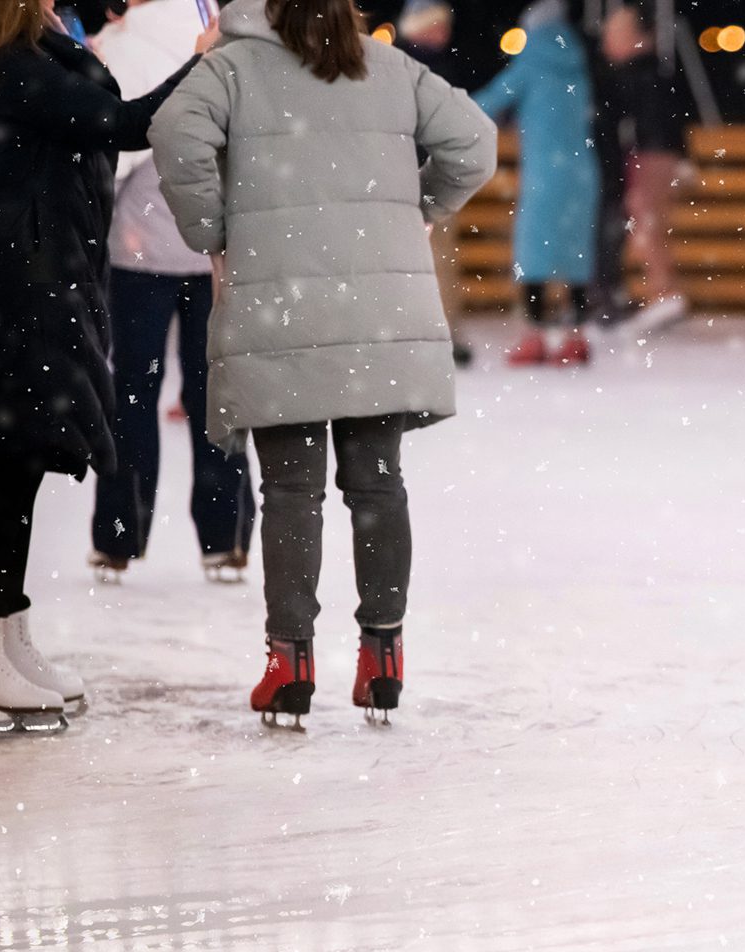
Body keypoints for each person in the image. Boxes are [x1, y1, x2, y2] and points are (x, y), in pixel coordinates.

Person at [151, 0, 497, 727]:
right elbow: (474, 139)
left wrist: (212, 229)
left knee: (290, 491)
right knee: (377, 485)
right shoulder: (390, 66)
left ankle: (290, 662)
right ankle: (383, 655)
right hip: (378, 313)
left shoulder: (232, 67)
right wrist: (419, 207)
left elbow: (173, 133)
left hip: (283, 309)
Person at [0, 0, 212, 727]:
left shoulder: (33, 52)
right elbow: (124, 122)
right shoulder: (12, 66)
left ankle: (4, 634)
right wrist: (202, 65)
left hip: (30, 283)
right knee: (0, 473)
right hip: (12, 290)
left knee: (15, 470)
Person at [90, 0, 255, 584]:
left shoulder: (125, 44)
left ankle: (119, 533)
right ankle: (225, 535)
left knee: (133, 390)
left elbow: (117, 147)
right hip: (214, 239)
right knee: (218, 392)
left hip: (141, 247)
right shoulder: (225, 27)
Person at [475, 0, 601, 366]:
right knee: (576, 255)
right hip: (583, 171)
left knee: (534, 254)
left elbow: (488, 103)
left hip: (545, 172)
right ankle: (576, 337)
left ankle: (534, 336)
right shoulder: (580, 65)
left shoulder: (530, 66)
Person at [590, 2, 693, 334]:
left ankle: (665, 293)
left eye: (616, 35)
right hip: (658, 153)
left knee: (643, 215)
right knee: (645, 219)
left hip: (653, 155)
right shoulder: (650, 74)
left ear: (637, 39)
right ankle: (662, 291)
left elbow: (646, 123)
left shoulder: (637, 74)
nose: (608, 43)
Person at [395, 0, 475, 367]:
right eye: (437, 24)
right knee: (424, 259)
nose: (444, 31)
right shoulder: (407, 67)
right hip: (410, 176)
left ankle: (440, 332)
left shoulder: (429, 66)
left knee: (438, 259)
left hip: (428, 176)